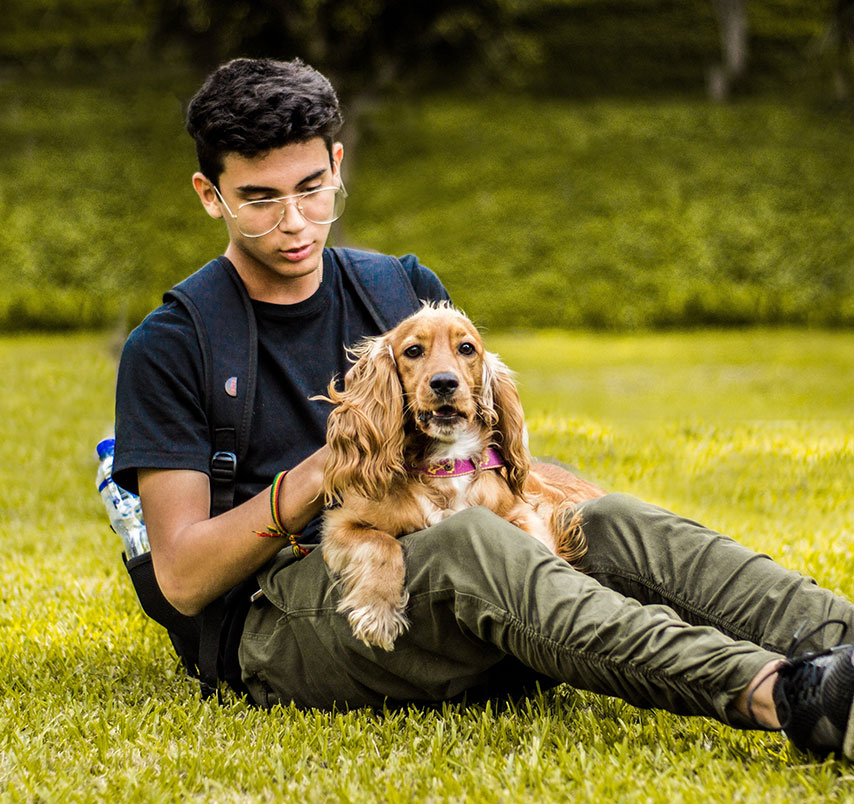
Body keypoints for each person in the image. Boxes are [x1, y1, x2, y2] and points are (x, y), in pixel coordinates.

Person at [114, 56, 854, 759]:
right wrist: (320, 473)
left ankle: (839, 638)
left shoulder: (400, 289)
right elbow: (182, 579)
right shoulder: (174, 345)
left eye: (312, 190)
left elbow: (487, 455)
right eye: (260, 200)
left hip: (451, 579)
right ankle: (791, 696)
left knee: (610, 520)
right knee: (474, 543)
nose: (296, 223)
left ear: (337, 166)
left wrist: (540, 490)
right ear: (211, 195)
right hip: (287, 616)